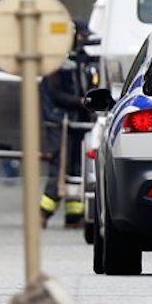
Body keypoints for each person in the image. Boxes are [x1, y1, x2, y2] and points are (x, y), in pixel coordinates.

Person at [39, 21, 91, 229]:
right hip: (59, 121)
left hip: (75, 121)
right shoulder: (55, 61)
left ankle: (73, 215)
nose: (84, 40)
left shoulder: (78, 59)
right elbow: (56, 94)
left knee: (76, 168)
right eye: (81, 36)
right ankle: (42, 213)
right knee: (61, 166)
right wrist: (80, 102)